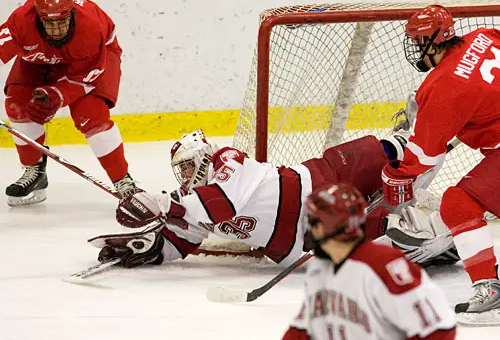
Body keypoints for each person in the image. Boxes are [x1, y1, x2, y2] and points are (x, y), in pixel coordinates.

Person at [90, 127, 457, 269]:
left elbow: (223, 202)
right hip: (304, 243)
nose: (185, 177)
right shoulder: (193, 201)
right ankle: (434, 238)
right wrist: (151, 247)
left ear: (204, 155)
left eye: (188, 166)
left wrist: (160, 202)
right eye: (180, 171)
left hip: (318, 181)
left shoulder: (226, 161)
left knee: (374, 153)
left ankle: (417, 136)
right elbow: (184, 237)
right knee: (390, 236)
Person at [381, 4, 500, 324]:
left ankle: (490, 293)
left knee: (458, 204)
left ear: (432, 41)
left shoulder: (441, 86)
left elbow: (423, 156)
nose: (415, 48)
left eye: (418, 41)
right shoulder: (483, 37)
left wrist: (394, 176)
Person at [0, 0, 135, 206]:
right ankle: (34, 171)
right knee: (17, 104)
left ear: (71, 13)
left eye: (61, 21)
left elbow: (85, 78)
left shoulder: (90, 29)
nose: (56, 29)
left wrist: (57, 94)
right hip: (40, 58)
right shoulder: (21, 20)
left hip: (92, 60)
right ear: (37, 15)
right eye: (48, 22)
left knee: (91, 115)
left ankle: (123, 180)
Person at [281, 183, 456, 340]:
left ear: (323, 227)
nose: (309, 227)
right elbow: (302, 331)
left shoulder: (384, 266)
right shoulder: (319, 269)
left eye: (313, 221)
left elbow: (439, 329)